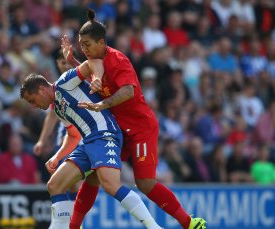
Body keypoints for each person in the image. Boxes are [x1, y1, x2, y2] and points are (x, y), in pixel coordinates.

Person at [61, 9, 206, 229]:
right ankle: (73, 226)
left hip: (140, 129)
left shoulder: (118, 60)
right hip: (117, 130)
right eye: (81, 45)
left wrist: (103, 104)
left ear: (102, 42)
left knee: (145, 183)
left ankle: (189, 223)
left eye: (88, 44)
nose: (85, 49)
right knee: (93, 175)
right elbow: (88, 74)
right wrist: (73, 60)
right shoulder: (94, 62)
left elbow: (128, 91)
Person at [20, 60, 162, 229]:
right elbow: (73, 136)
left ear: (42, 89)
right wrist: (57, 157)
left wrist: (97, 79)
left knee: (110, 185)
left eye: (32, 100)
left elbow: (91, 63)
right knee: (54, 185)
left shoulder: (65, 82)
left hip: (104, 134)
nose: (34, 106)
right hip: (88, 142)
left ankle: (153, 226)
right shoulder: (58, 108)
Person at [33, 49, 80, 229]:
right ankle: (64, 222)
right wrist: (42, 140)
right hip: (68, 137)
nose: (64, 65)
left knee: (73, 182)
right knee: (63, 180)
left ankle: (67, 223)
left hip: (85, 135)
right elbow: (52, 116)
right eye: (61, 62)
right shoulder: (55, 89)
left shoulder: (82, 84)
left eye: (67, 62)